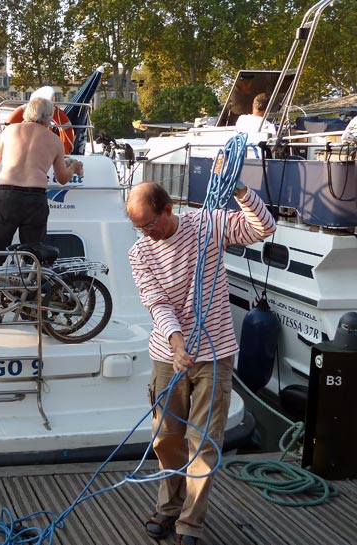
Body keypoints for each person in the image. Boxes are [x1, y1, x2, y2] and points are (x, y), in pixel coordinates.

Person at [126, 180, 276, 545]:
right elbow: (157, 302)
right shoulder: (140, 253)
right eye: (138, 228)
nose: (146, 234)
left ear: (167, 210)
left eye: (150, 225)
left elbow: (264, 228)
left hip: (215, 354)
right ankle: (169, 506)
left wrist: (240, 191)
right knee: (166, 439)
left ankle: (190, 523)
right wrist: (176, 343)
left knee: (204, 442)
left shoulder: (206, 223)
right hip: (168, 355)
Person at [0, 97, 83, 320]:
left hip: (6, 196)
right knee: (34, 257)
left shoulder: (11, 131)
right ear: (50, 117)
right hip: (34, 200)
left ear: (26, 113)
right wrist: (73, 166)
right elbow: (62, 178)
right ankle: (30, 308)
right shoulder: (54, 141)